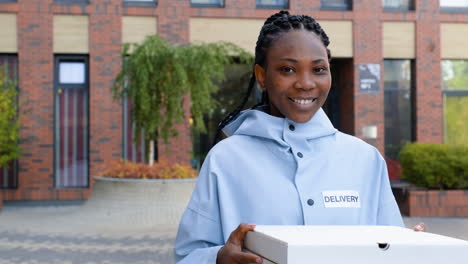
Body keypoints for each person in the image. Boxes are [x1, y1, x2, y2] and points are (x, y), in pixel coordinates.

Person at [175, 11, 406, 264]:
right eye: (288, 69)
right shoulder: (225, 159)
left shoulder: (365, 159)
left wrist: (415, 249)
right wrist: (218, 258)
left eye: (318, 69)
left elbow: (392, 247)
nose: (306, 83)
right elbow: (187, 256)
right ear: (262, 76)